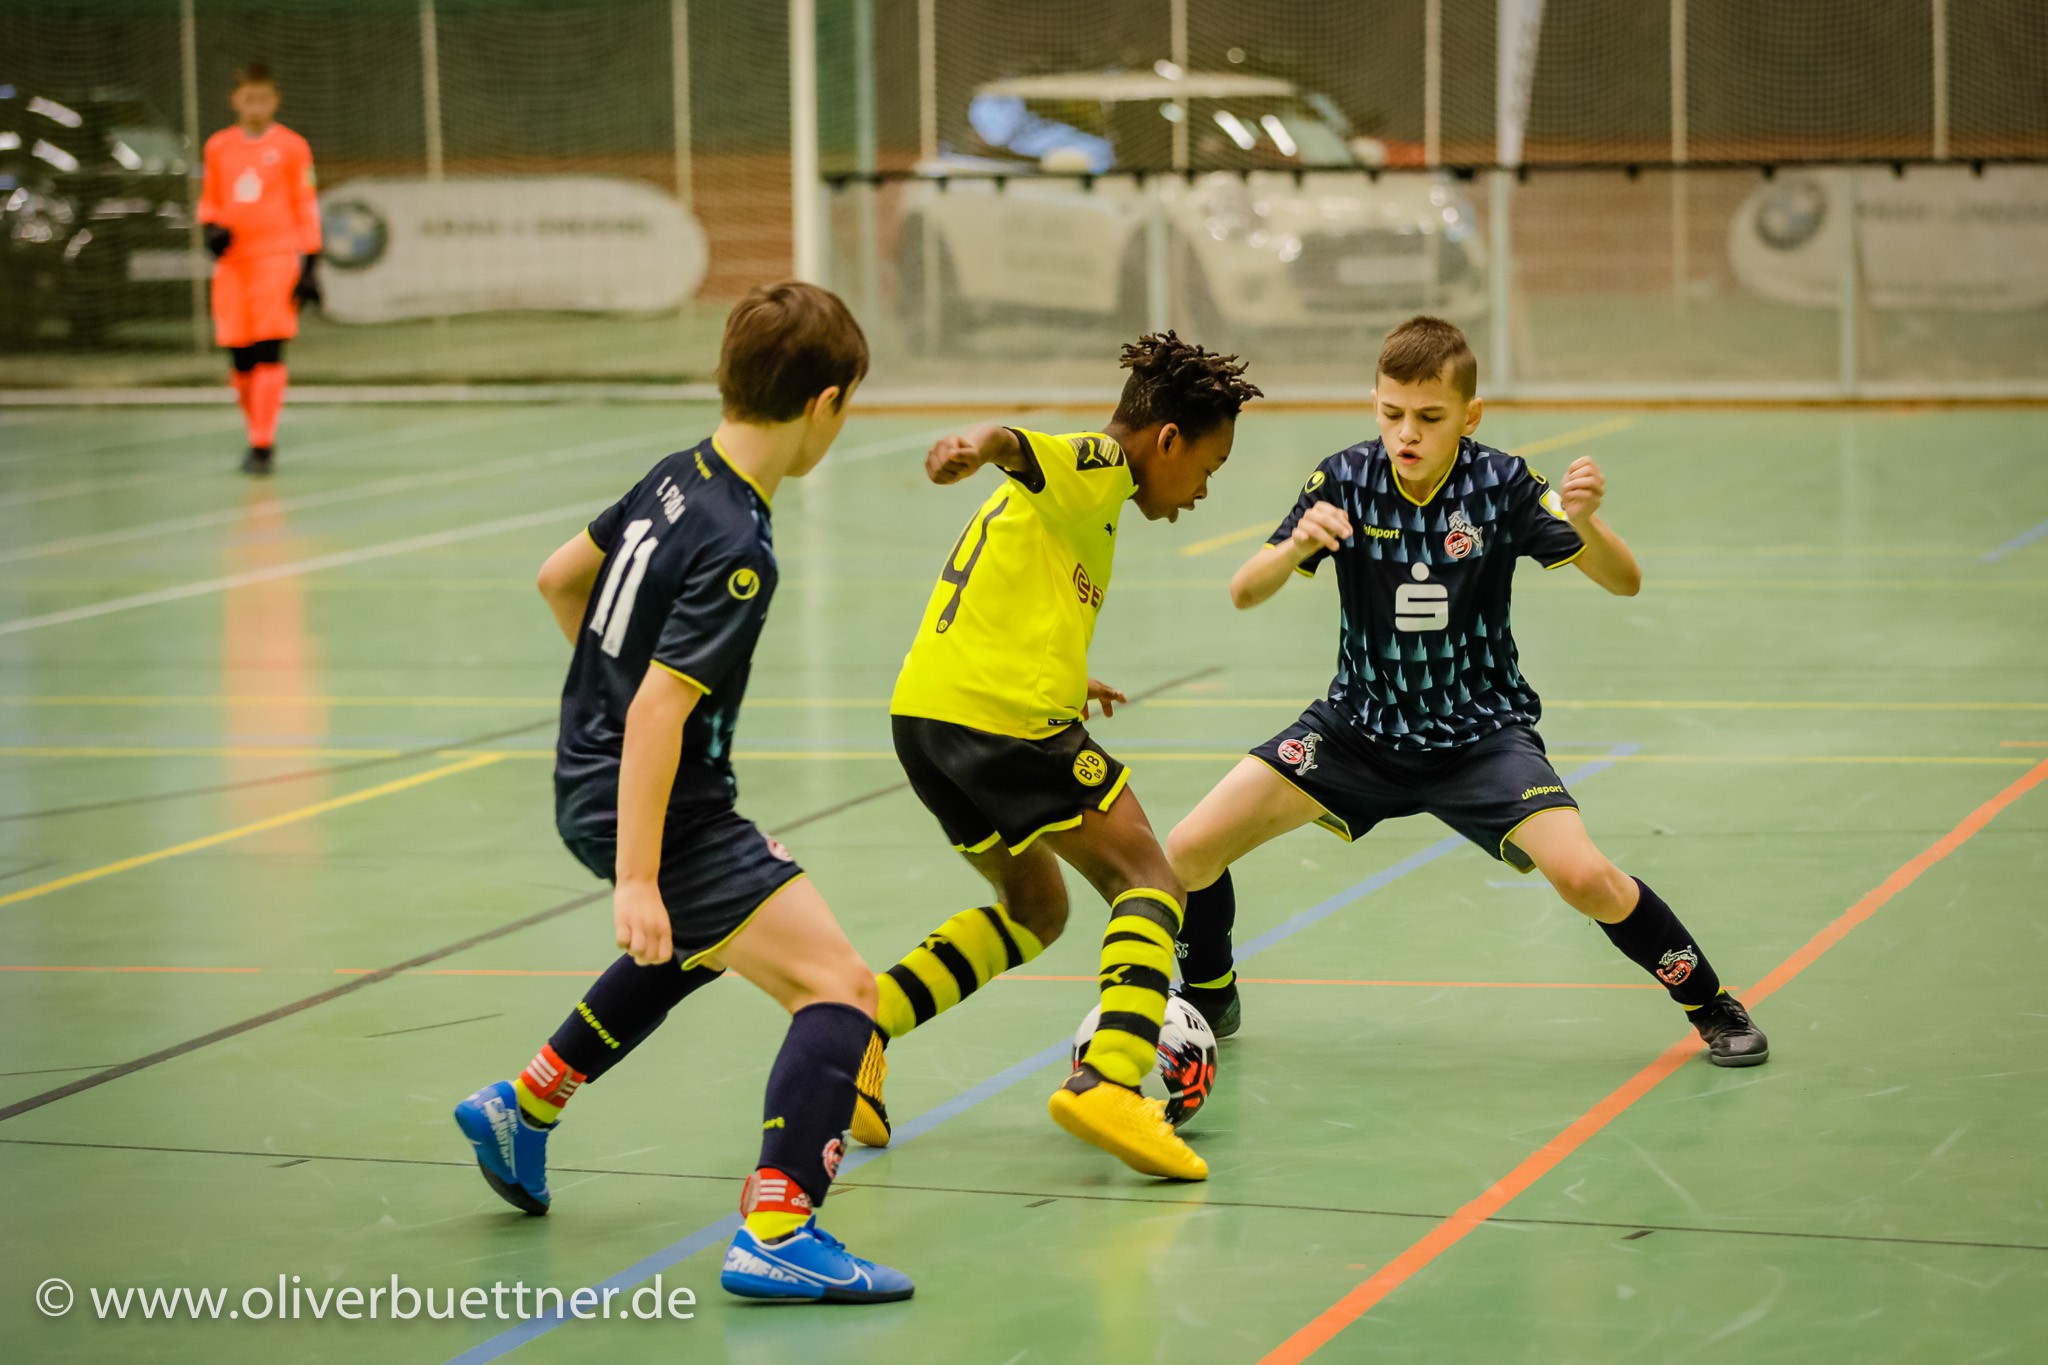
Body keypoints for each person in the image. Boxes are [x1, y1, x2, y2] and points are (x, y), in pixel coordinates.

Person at [453, 282, 912, 1304]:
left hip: (599, 774)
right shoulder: (738, 543)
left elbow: (558, 578)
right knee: (840, 987)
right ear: (825, 405)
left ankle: (524, 1105)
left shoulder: (675, 475)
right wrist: (635, 874)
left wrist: (605, 706)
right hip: (652, 801)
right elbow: (659, 709)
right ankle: (778, 1229)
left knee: (703, 942)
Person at [1163, 316, 1769, 1067]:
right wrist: (1294, 547)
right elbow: (1243, 591)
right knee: (1189, 849)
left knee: (1585, 876)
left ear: (1470, 415)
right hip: (1358, 729)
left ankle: (1710, 1002)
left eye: (1429, 416)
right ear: (1374, 404)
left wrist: (1586, 525)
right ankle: (1211, 991)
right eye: (1391, 413)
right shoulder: (1343, 479)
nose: (1406, 433)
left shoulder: (1502, 485)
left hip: (1480, 738)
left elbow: (1626, 581)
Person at [849, 333, 1262, 1182]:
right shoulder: (1102, 465)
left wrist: (1070, 674)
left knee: (1035, 908)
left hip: (926, 715)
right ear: (1168, 440)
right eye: (1208, 468)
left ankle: (859, 1028)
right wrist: (977, 444)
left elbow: (1013, 592)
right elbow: (1019, 448)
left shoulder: (1081, 510)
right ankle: (1111, 1078)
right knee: (1150, 878)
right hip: (1002, 717)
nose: (1202, 491)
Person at [197, 63, 322, 476]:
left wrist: (311, 264)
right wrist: (212, 229)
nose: (256, 107)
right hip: (233, 265)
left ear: (275, 101)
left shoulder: (292, 147)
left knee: (269, 349)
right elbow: (211, 200)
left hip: (274, 260)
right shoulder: (218, 147)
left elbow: (305, 204)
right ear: (235, 100)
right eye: (249, 99)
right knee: (240, 358)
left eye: (263, 99)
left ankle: (262, 443)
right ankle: (256, 431)